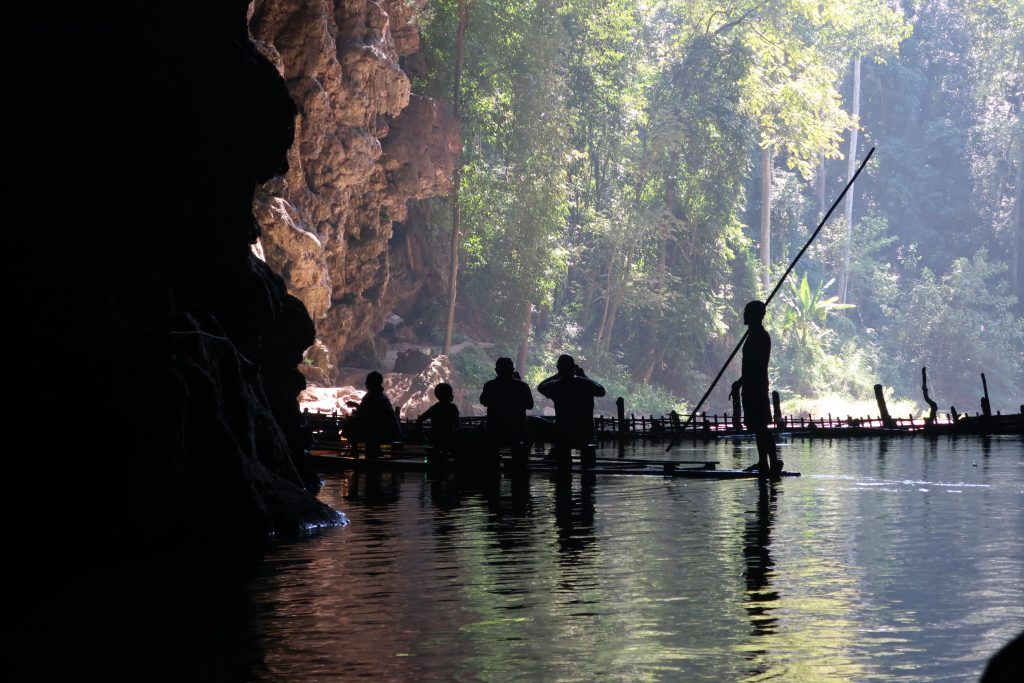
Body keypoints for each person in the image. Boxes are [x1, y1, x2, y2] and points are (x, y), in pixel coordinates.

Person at [729, 301, 782, 476]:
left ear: (755, 315)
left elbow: (756, 366)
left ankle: (773, 461)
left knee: (761, 426)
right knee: (758, 426)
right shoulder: (754, 334)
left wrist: (741, 382)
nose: (744, 315)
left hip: (756, 386)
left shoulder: (759, 336)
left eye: (747, 312)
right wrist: (741, 382)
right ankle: (763, 462)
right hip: (752, 385)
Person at [537, 354, 605, 468]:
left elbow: (540, 387)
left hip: (563, 433)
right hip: (585, 433)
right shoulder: (585, 383)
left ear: (558, 368)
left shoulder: (556, 385)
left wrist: (558, 374)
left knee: (536, 423)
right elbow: (602, 391)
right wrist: (584, 376)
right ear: (574, 367)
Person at [480, 358, 535, 465]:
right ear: (512, 370)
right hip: (517, 428)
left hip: (495, 427)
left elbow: (484, 402)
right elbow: (530, 406)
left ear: (497, 370)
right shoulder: (522, 386)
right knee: (516, 450)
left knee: (492, 455)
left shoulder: (490, 385)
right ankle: (518, 467)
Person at [344, 371, 401, 458]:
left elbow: (364, 415)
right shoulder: (380, 395)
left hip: (383, 432)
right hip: (390, 431)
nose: (366, 383)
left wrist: (355, 406)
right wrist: (357, 406)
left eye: (367, 381)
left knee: (349, 424)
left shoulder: (372, 396)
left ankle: (355, 451)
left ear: (371, 383)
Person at [417, 383, 460, 460]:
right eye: (451, 393)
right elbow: (457, 425)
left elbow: (420, 420)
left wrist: (423, 436)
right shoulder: (452, 408)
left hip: (436, 440)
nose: (452, 395)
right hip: (450, 439)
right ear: (448, 395)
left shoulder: (435, 408)